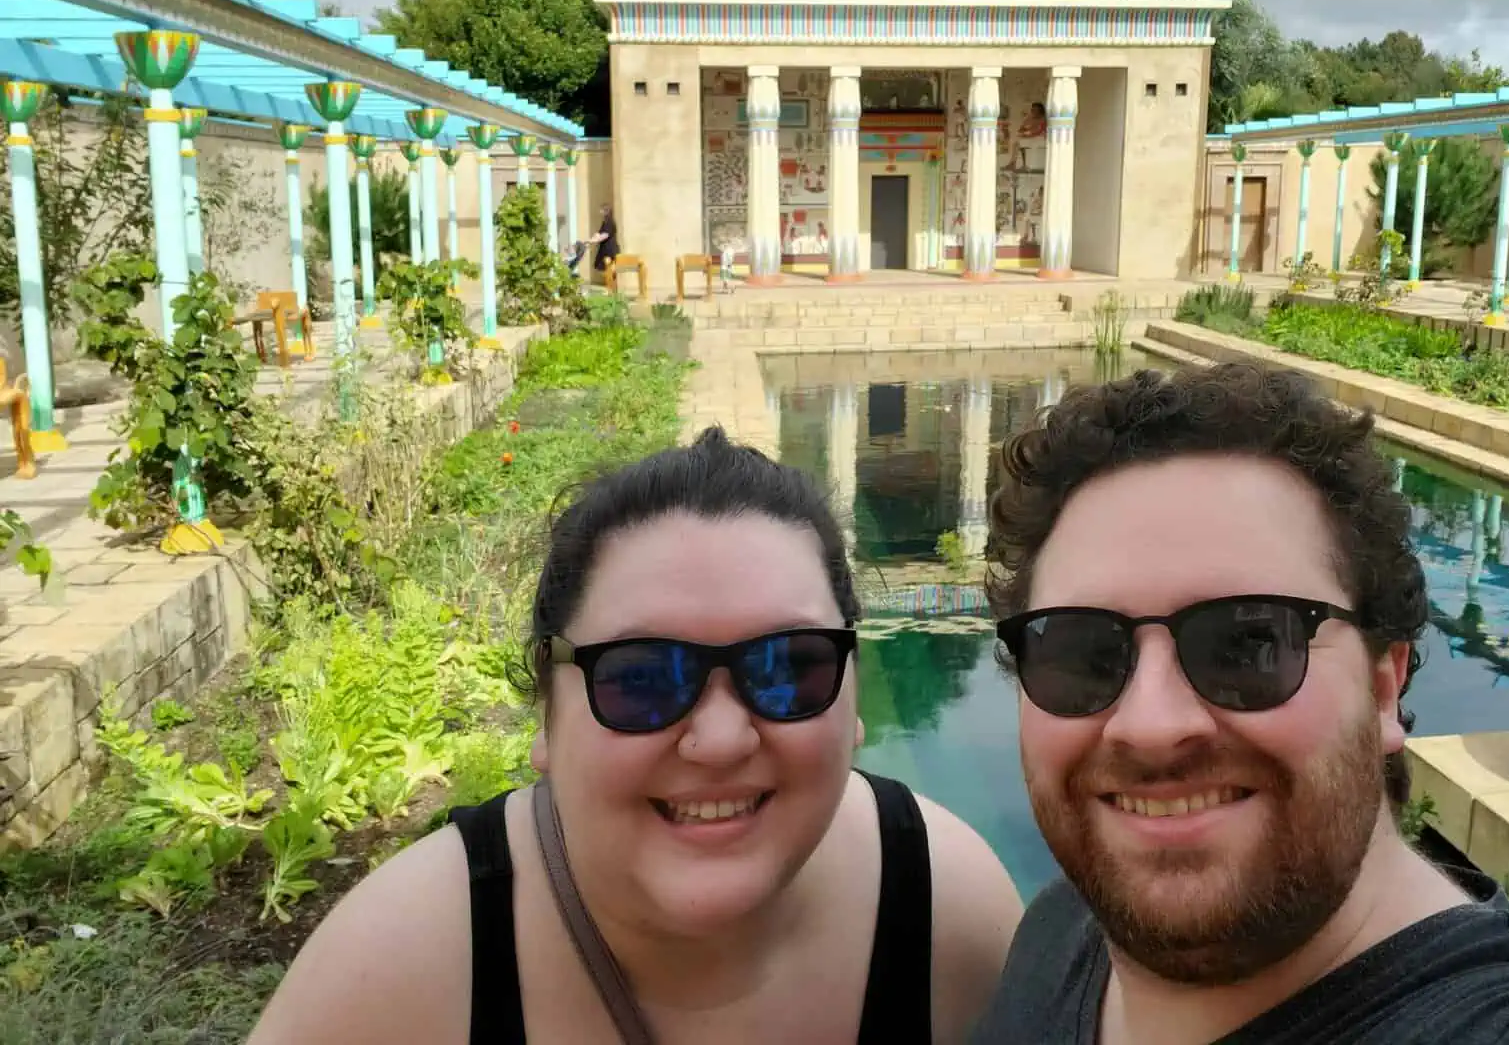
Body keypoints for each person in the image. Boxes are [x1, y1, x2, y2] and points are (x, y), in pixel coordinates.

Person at [971, 362, 1509, 1045]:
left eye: (1248, 645)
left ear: (1384, 687)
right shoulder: (1058, 932)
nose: (1153, 725)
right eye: (1083, 653)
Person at [249, 428, 1022, 1045]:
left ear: (854, 702)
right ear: (546, 719)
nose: (719, 740)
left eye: (788, 666)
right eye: (641, 677)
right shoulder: (405, 966)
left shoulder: (948, 911)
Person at [591, 204, 619, 278]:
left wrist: (595, 240)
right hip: (604, 249)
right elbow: (599, 233)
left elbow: (605, 235)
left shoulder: (610, 222)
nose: (600, 212)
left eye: (602, 210)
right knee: (601, 267)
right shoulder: (605, 222)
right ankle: (610, 282)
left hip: (610, 249)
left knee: (609, 268)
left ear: (606, 211)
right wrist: (592, 238)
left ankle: (612, 283)